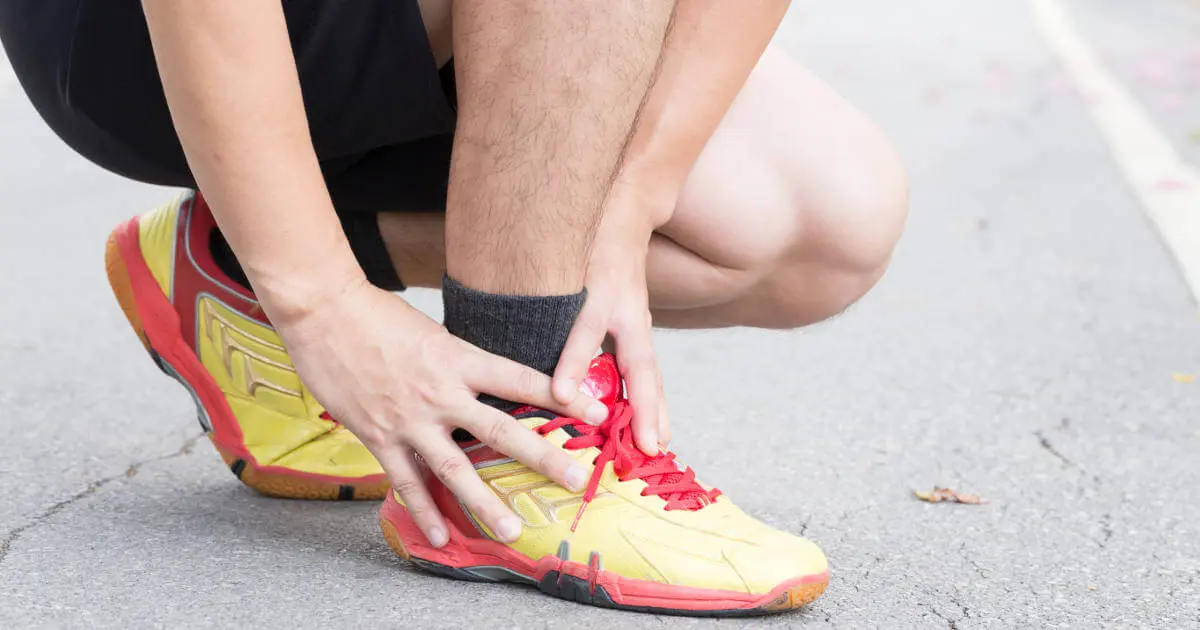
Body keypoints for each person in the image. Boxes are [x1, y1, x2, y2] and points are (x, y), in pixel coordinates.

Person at [0, 0, 906, 616]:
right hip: (145, 40)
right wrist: (321, 305)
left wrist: (627, 202)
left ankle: (225, 267)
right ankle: (515, 448)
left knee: (817, 225)